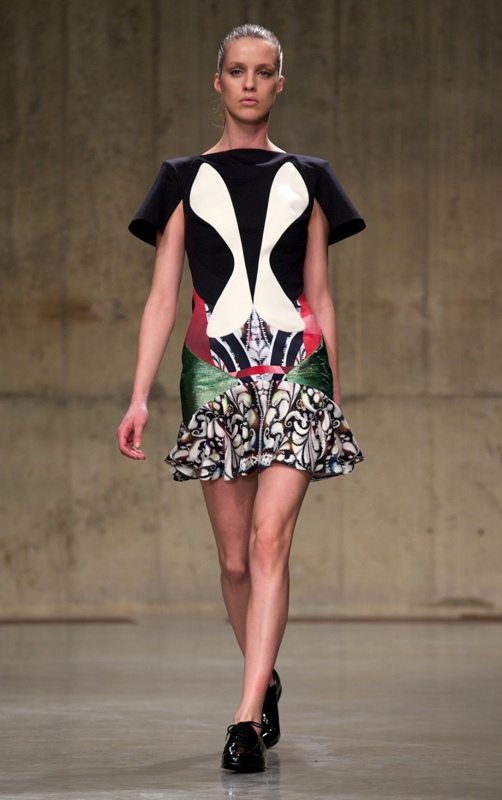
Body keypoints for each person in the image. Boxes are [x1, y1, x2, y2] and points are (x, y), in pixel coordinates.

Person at [117, 23, 365, 772]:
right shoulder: (180, 177)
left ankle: (245, 719)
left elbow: (319, 291)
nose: (249, 83)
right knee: (232, 562)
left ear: (279, 83)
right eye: (236, 70)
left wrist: (333, 393)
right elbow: (163, 298)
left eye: (262, 71)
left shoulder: (311, 176)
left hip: (296, 372)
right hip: (213, 374)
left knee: (267, 544)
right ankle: (267, 677)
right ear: (218, 81)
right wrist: (138, 397)